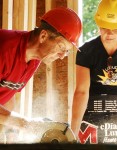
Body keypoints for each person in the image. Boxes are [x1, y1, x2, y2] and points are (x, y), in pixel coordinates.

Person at [0, 7, 82, 143]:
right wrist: (25, 124)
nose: (62, 56)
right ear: (43, 36)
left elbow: (8, 93)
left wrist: (9, 132)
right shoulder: (5, 48)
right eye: (61, 47)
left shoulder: (34, 60)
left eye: (66, 51)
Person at [71, 0, 117, 144]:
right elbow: (81, 91)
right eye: (105, 27)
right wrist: (73, 133)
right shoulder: (86, 51)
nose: (109, 33)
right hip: (91, 116)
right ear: (98, 24)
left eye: (115, 29)